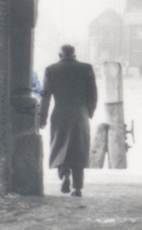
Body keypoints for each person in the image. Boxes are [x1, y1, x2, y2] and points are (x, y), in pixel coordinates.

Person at [38, 44, 98, 198]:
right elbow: (93, 93)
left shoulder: (51, 70)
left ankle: (64, 174)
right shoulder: (86, 68)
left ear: (60, 55)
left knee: (60, 145)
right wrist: (90, 111)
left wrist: (42, 116)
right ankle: (77, 188)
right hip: (80, 113)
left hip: (60, 112)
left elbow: (45, 96)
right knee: (79, 148)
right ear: (74, 55)